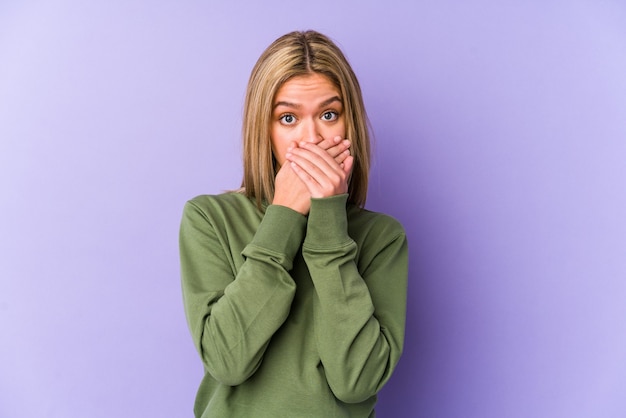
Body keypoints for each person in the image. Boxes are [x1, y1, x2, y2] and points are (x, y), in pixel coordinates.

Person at [179, 30, 408, 418]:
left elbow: (356, 382)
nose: (312, 139)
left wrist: (329, 224)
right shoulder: (209, 219)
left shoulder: (382, 237)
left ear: (349, 125)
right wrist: (283, 216)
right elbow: (227, 362)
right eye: (288, 118)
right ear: (264, 131)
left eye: (329, 115)